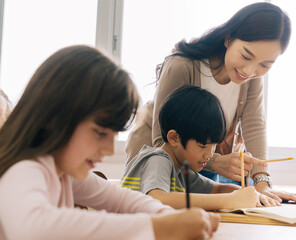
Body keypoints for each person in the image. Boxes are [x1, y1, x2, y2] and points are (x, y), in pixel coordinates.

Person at [0, 45, 219, 240]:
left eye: (113, 135)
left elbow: (121, 199)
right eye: (99, 132)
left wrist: (166, 216)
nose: (107, 150)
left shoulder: (62, 171)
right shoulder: (24, 168)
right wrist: (158, 227)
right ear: (54, 118)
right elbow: (35, 228)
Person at [125, 2, 296, 204]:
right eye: (246, 56)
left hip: (196, 162)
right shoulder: (182, 66)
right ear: (228, 38)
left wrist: (261, 184)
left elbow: (254, 126)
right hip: (164, 156)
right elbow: (163, 143)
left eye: (265, 65)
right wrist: (214, 162)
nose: (250, 71)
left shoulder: (253, 77)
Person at [122, 86, 281, 209]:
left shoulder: (180, 169)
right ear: (174, 138)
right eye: (203, 145)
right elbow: (157, 198)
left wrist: (248, 193)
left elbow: (217, 189)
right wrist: (230, 200)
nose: (210, 154)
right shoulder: (157, 160)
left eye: (214, 146)